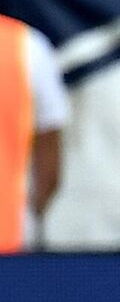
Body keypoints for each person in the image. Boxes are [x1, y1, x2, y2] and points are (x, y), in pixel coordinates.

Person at [0, 14, 68, 254]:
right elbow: (50, 167)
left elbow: (49, 165)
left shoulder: (27, 46)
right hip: (11, 246)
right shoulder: (26, 45)